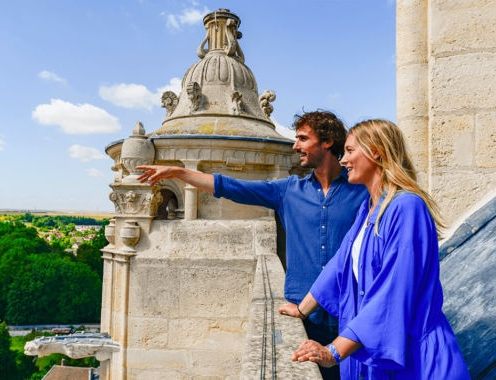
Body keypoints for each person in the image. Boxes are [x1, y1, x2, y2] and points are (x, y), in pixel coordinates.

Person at [137, 110, 368, 380]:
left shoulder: (363, 191)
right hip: (303, 317)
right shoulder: (288, 190)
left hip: (351, 314)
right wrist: (180, 172)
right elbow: (232, 187)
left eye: (303, 139)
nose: (296, 146)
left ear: (328, 141)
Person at [279, 119, 470, 380]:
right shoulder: (369, 208)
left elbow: (392, 290)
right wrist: (302, 309)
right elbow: (339, 265)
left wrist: (334, 352)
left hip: (416, 360)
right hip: (376, 351)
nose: (343, 160)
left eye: (349, 150)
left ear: (376, 151)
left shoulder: (406, 207)